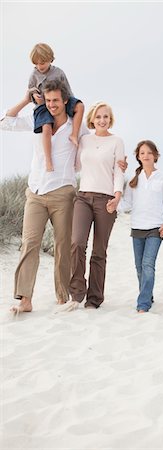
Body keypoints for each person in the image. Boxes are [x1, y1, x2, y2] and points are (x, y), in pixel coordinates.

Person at [0, 79, 89, 314]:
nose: (51, 105)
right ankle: (25, 299)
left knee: (63, 246)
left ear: (65, 100)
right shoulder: (38, 119)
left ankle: (62, 297)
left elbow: (95, 145)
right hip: (36, 192)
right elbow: (5, 122)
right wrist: (25, 100)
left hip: (63, 192)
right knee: (29, 243)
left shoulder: (76, 126)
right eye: (48, 100)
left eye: (56, 101)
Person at [62, 102, 125, 311]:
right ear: (92, 119)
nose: (102, 120)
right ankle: (76, 293)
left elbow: (119, 172)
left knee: (99, 251)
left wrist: (117, 197)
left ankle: (94, 299)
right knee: (77, 243)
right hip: (83, 197)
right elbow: (76, 165)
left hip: (106, 200)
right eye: (98, 117)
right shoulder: (84, 140)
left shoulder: (117, 141)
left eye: (106, 116)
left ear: (110, 119)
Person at [120, 140, 163, 313]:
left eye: (149, 152)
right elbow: (127, 204)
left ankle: (143, 303)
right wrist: (114, 204)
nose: (146, 156)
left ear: (155, 155)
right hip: (137, 227)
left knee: (148, 264)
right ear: (138, 156)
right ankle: (147, 294)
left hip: (155, 229)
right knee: (139, 266)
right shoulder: (133, 179)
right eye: (142, 153)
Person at [28, 42, 84, 172]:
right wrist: (35, 97)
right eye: (36, 63)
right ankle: (48, 161)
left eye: (42, 63)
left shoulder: (58, 72)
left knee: (80, 106)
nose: (39, 66)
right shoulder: (34, 75)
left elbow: (67, 90)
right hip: (43, 105)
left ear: (50, 59)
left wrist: (70, 105)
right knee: (46, 127)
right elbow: (30, 91)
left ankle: (74, 135)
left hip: (61, 100)